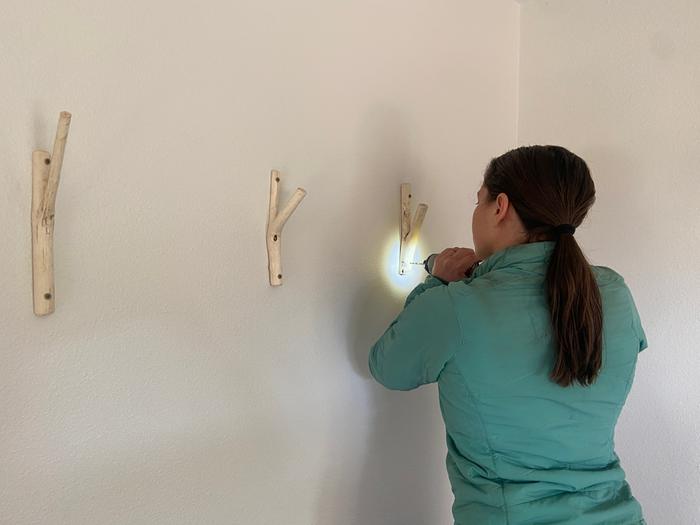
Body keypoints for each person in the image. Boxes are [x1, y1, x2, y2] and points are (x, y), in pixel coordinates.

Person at [368, 145, 649, 525]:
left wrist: (436, 283)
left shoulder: (456, 306)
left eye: (478, 201)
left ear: (500, 206)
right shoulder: (615, 292)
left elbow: (388, 368)